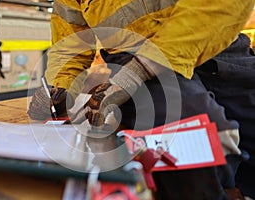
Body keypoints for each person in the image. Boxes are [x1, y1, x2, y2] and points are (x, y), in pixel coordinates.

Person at [28, 0, 255, 199]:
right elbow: (71, 44)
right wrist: (62, 86)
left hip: (214, 42)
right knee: (191, 138)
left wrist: (137, 72)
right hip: (132, 60)